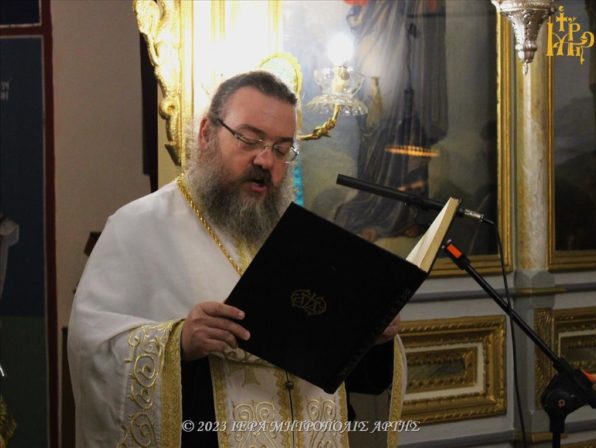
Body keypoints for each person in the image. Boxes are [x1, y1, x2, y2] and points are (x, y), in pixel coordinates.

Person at [68, 71, 406, 447]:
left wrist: (369, 338)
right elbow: (91, 349)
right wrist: (178, 343)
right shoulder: (139, 226)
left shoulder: (301, 235)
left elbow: (335, 371)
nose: (265, 160)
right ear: (207, 133)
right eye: (249, 139)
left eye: (281, 149)